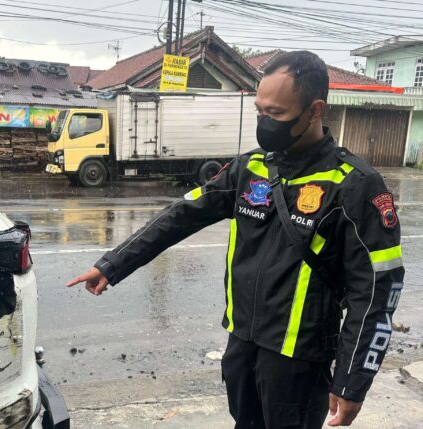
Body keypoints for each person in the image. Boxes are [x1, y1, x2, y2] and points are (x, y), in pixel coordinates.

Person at [67, 51, 404, 429]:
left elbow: (376, 288)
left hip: (299, 361)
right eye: (260, 110)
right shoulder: (251, 168)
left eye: (275, 114)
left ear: (314, 110)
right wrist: (113, 265)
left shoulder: (354, 184)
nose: (264, 122)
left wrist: (352, 380)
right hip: (242, 345)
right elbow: (180, 216)